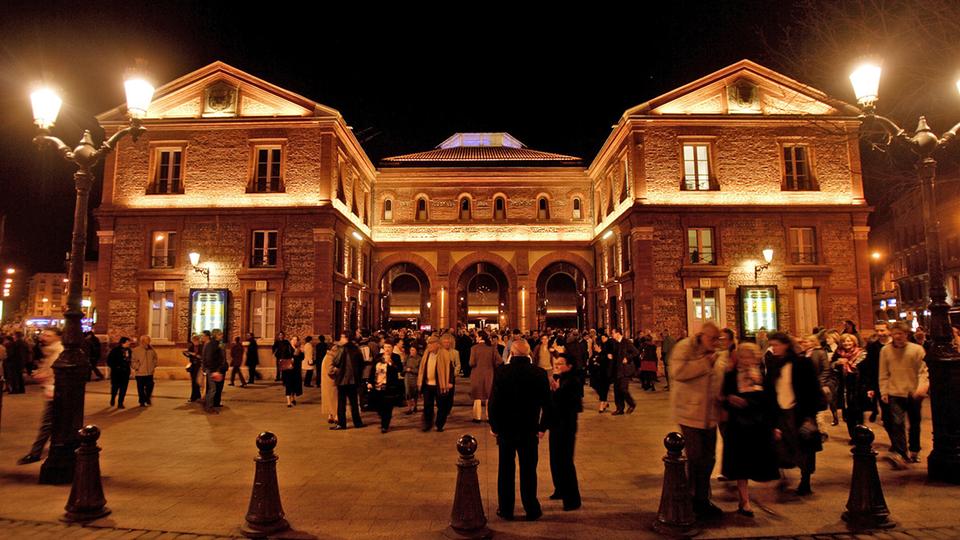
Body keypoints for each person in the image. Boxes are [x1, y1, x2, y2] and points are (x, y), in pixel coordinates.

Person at [488, 338, 551, 521]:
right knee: (529, 470)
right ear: (529, 354)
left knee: (506, 470)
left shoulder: (502, 372)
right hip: (529, 429)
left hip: (507, 429)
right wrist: (542, 427)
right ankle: (531, 508)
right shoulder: (538, 373)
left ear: (512, 354)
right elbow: (547, 403)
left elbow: (494, 402)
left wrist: (495, 426)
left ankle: (506, 509)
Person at [669, 321, 725, 520]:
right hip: (689, 414)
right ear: (701, 335)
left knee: (709, 459)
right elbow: (678, 373)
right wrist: (704, 364)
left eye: (718, 339)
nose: (716, 342)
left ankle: (702, 499)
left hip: (709, 416)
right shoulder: (685, 347)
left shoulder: (716, 355)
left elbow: (717, 379)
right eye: (712, 338)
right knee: (695, 458)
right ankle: (692, 499)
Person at [719, 343, 779, 517]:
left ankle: (762, 496)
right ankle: (744, 501)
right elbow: (723, 395)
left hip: (760, 424)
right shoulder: (731, 375)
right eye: (743, 356)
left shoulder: (762, 376)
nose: (746, 360)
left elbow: (771, 401)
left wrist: (775, 425)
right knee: (741, 464)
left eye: (749, 356)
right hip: (739, 424)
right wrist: (730, 399)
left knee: (761, 461)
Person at [764, 332, 825, 496]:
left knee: (804, 448)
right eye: (772, 345)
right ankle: (783, 477)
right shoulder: (774, 366)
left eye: (776, 344)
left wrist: (810, 415)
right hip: (781, 412)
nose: (773, 348)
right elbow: (770, 391)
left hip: (799, 412)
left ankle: (805, 481)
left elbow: (812, 389)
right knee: (782, 446)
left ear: (786, 345)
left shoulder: (802, 363)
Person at [879, 321, 929, 468]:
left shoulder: (917, 350)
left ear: (906, 334)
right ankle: (901, 453)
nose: (897, 336)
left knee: (914, 423)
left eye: (900, 333)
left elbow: (923, 371)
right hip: (895, 392)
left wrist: (921, 388)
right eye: (895, 334)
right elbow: (883, 373)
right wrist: (884, 391)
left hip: (913, 392)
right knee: (897, 423)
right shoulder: (885, 351)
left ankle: (914, 450)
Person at [17, 328, 62, 465]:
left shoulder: (58, 352)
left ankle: (35, 453)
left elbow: (56, 373)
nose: (44, 338)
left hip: (54, 392)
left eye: (48, 335)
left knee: (47, 424)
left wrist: (44, 376)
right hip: (52, 390)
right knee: (56, 424)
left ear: (57, 337)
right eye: (44, 335)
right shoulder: (50, 351)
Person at [548, 354, 582, 512]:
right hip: (556, 425)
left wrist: (556, 391)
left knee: (565, 462)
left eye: (561, 363)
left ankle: (572, 499)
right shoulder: (562, 379)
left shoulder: (573, 381)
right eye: (556, 363)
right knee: (555, 460)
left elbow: (572, 404)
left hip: (566, 427)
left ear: (569, 366)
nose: (557, 365)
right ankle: (559, 489)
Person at [834, 333, 870, 440]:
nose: (847, 343)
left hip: (858, 386)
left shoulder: (862, 353)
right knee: (847, 413)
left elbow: (866, 369)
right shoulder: (838, 353)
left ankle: (861, 435)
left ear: (854, 342)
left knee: (858, 412)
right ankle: (853, 436)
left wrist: (849, 364)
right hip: (845, 387)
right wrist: (837, 363)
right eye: (844, 341)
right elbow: (831, 366)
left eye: (849, 341)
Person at [418, 335, 455, 432]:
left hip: (440, 385)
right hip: (427, 385)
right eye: (428, 344)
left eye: (431, 344)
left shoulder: (445, 354)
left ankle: (439, 424)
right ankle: (428, 424)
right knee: (427, 406)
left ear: (437, 345)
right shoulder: (426, 354)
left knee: (442, 406)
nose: (429, 346)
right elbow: (422, 369)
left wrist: (450, 382)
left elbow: (450, 370)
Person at [367, 342, 404, 433]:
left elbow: (399, 369)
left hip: (389, 386)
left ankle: (385, 425)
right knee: (378, 406)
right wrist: (370, 381)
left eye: (389, 347)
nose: (387, 349)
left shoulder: (396, 357)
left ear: (392, 348)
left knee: (388, 407)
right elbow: (372, 370)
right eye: (385, 347)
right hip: (377, 385)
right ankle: (382, 415)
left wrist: (390, 363)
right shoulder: (378, 357)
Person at [330, 334, 364, 430]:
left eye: (342, 337)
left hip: (343, 380)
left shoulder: (342, 349)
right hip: (353, 380)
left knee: (341, 403)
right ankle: (357, 423)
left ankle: (342, 424)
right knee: (354, 403)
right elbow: (361, 363)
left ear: (346, 338)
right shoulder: (356, 349)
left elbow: (336, 361)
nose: (340, 339)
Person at [469, 332, 500, 422]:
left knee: (477, 396)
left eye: (477, 336)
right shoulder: (492, 348)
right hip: (489, 374)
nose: (476, 338)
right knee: (489, 396)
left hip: (477, 374)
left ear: (480, 337)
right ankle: (489, 416)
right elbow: (499, 361)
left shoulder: (474, 348)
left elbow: (471, 363)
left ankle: (477, 417)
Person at [863, 323, 890, 423]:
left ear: (888, 331)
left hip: (895, 379)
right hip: (878, 378)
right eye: (877, 330)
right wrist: (870, 385)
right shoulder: (873, 347)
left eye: (882, 330)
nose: (879, 333)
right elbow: (869, 366)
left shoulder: (895, 345)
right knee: (883, 403)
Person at [610, 328, 637, 415]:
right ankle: (619, 408)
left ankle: (632, 404)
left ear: (618, 333)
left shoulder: (626, 342)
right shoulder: (615, 343)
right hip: (617, 369)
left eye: (613, 333)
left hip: (625, 370)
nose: (612, 335)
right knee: (617, 390)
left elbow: (636, 352)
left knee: (623, 389)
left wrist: (627, 358)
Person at [201, 331, 226, 414]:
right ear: (215, 335)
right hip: (212, 370)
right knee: (212, 389)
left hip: (214, 369)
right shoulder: (212, 344)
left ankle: (209, 405)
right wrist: (213, 370)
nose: (222, 336)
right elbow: (209, 358)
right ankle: (209, 407)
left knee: (212, 389)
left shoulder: (217, 344)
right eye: (220, 334)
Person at [589, 333, 615, 413]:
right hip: (595, 375)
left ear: (599, 346)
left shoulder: (604, 354)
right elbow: (591, 361)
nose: (594, 347)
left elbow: (606, 363)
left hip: (604, 375)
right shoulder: (594, 354)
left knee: (603, 389)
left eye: (595, 346)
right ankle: (605, 402)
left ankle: (602, 404)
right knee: (596, 387)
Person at [131, 335, 158, 407]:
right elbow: (133, 361)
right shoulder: (136, 350)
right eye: (147, 340)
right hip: (140, 373)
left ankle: (147, 397)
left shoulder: (151, 350)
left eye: (149, 340)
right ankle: (142, 401)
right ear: (142, 341)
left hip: (149, 373)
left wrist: (154, 365)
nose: (148, 342)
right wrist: (137, 367)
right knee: (141, 388)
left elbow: (155, 358)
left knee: (150, 386)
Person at [321, 335, 342, 424]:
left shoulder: (327, 356)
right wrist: (338, 369)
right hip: (331, 381)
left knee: (329, 399)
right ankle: (336, 416)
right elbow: (330, 371)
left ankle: (330, 415)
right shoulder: (330, 357)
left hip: (327, 381)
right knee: (334, 399)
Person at [107, 337, 133, 409]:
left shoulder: (129, 350)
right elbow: (109, 361)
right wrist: (115, 367)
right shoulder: (115, 350)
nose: (129, 343)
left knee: (123, 388)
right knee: (115, 387)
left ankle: (120, 403)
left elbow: (130, 360)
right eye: (128, 342)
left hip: (125, 372)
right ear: (123, 342)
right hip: (116, 373)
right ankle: (113, 398)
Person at [282, 336, 303, 407]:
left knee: (294, 385)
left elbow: (302, 358)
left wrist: (301, 352)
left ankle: (293, 398)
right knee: (288, 385)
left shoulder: (298, 349)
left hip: (296, 369)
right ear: (291, 340)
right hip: (288, 369)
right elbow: (284, 357)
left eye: (296, 340)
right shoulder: (287, 348)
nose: (295, 341)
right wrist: (291, 359)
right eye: (293, 339)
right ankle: (288, 401)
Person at [403, 344, 421, 415]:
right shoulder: (407, 357)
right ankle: (409, 408)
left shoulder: (419, 358)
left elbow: (420, 369)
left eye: (413, 350)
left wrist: (412, 370)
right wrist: (406, 369)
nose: (411, 351)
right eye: (411, 350)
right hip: (407, 377)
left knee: (415, 392)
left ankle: (415, 406)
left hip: (415, 377)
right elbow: (403, 366)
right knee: (408, 392)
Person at [185, 335, 203, 402]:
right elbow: (189, 355)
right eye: (193, 341)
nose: (194, 342)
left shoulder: (201, 347)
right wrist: (187, 354)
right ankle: (194, 397)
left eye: (195, 341)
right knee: (193, 382)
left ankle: (197, 396)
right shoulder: (191, 347)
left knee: (198, 382)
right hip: (193, 366)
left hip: (199, 366)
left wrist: (195, 355)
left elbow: (201, 356)